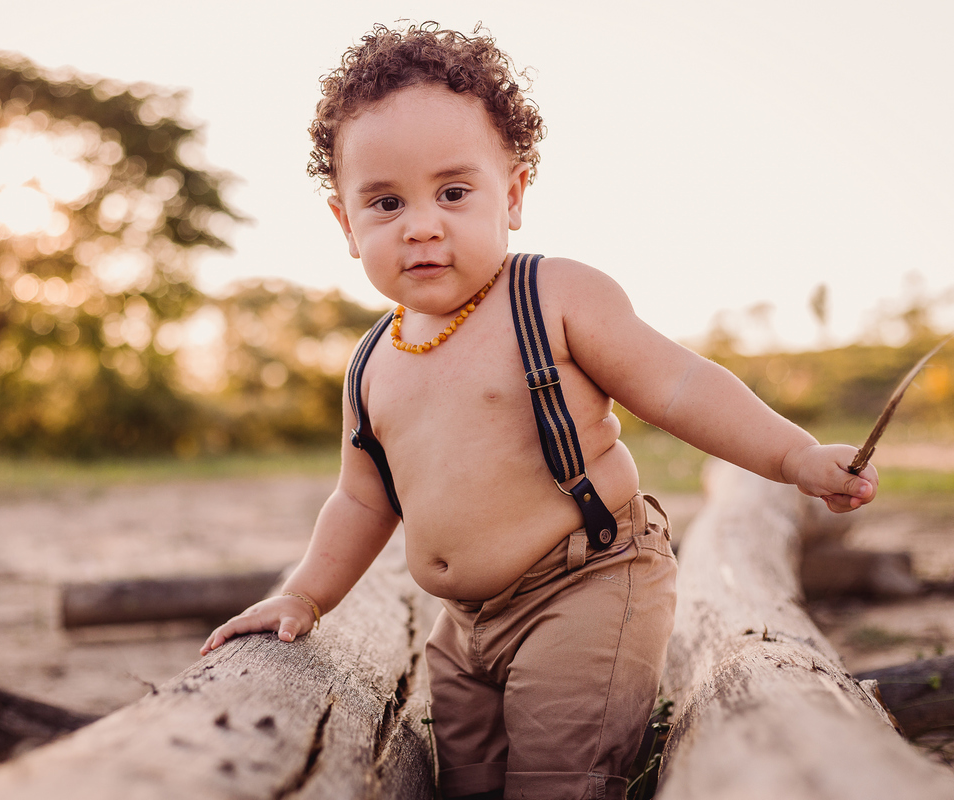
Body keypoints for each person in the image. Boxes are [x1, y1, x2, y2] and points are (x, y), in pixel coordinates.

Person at [200, 22, 878, 800]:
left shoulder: (552, 296)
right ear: (346, 225)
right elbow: (361, 498)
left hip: (586, 588)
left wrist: (794, 457)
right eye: (386, 202)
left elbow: (681, 385)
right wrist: (304, 594)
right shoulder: (370, 363)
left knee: (559, 781)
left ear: (513, 194)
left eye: (453, 192)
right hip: (462, 627)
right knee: (470, 787)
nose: (421, 223)